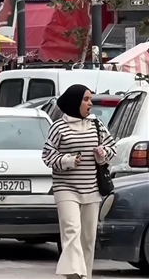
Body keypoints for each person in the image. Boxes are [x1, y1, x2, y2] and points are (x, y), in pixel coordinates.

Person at [42, 84, 116, 279]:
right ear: (75, 102)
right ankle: (75, 273)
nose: (90, 103)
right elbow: (47, 156)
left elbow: (112, 149)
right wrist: (68, 160)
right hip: (65, 189)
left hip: (92, 189)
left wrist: (103, 154)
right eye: (86, 99)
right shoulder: (59, 127)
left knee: (88, 237)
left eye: (90, 99)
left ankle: (85, 275)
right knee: (72, 230)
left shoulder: (96, 125)